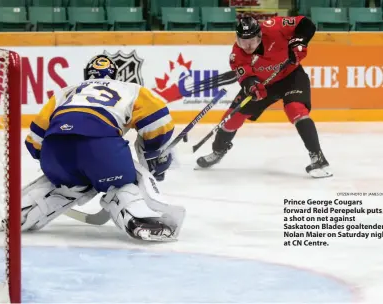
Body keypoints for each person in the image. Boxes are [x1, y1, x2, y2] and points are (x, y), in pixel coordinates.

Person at [20, 54, 185, 242]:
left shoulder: (66, 92)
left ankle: (24, 211)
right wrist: (154, 151)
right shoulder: (131, 89)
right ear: (115, 75)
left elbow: (34, 141)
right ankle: (138, 219)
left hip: (53, 148)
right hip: (101, 148)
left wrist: (58, 160)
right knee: (125, 183)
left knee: (69, 183)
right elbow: (159, 123)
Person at [197, 16, 332, 178]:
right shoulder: (236, 54)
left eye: (252, 41)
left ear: (260, 36)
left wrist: (299, 41)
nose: (247, 46)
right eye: (242, 41)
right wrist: (251, 86)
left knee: (296, 109)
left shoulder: (274, 27)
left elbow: (306, 23)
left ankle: (318, 158)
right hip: (263, 84)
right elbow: (245, 76)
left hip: (291, 77)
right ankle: (218, 151)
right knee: (231, 118)